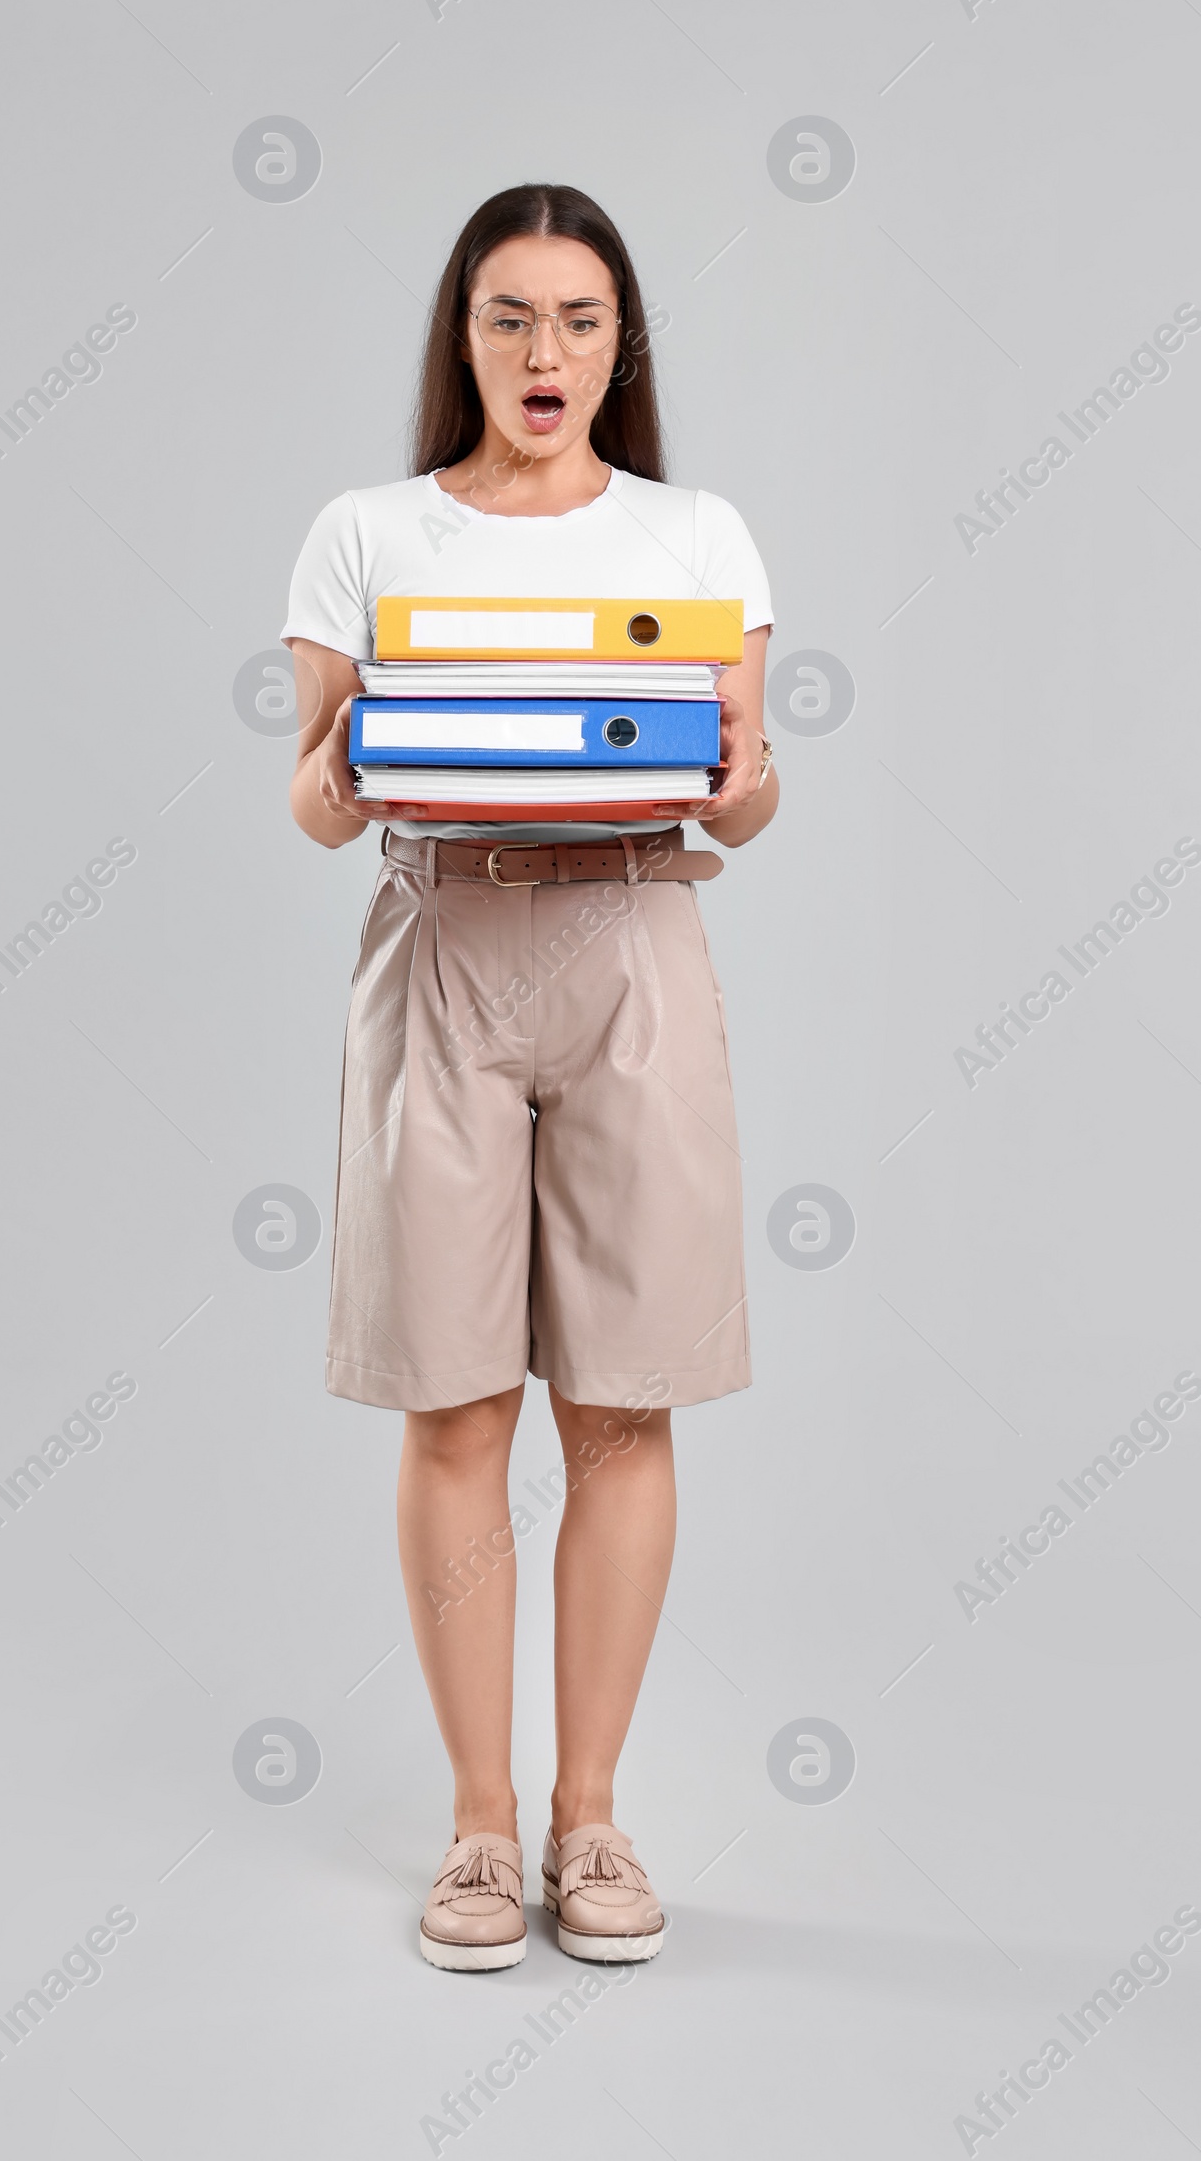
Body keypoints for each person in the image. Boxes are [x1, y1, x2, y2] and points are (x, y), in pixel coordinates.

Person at [283, 183, 777, 1970]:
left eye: (578, 319)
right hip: (445, 946)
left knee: (624, 1401)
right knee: (455, 1401)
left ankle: (594, 1816)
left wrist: (734, 779)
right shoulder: (368, 532)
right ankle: (481, 1830)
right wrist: (343, 768)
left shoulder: (697, 534)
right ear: (463, 337)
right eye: (509, 318)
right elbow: (319, 794)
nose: (544, 353)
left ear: (618, 342)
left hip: (637, 940)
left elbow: (747, 779)